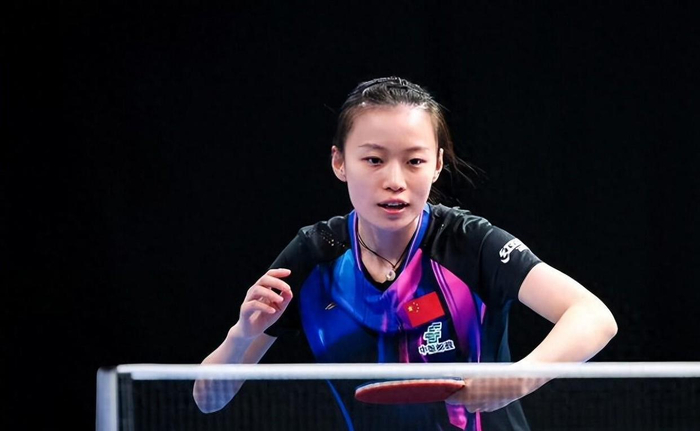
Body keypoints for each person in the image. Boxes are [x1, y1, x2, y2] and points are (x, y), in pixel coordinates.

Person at [192, 77, 618, 430]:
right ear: (340, 163)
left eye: (414, 162)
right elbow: (207, 401)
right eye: (373, 160)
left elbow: (594, 316)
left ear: (437, 164)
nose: (395, 180)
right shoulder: (315, 255)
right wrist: (241, 337)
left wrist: (516, 380)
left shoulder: (467, 242)